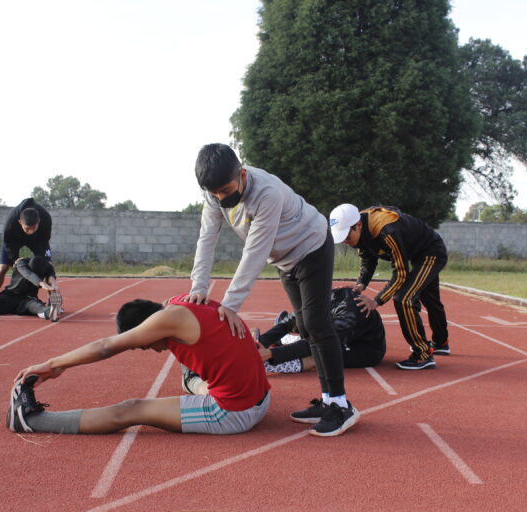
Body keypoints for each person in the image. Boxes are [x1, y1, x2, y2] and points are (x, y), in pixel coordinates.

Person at [183, 143, 358, 437]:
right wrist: (198, 286)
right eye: (215, 194)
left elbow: (255, 250)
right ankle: (326, 401)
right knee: (304, 326)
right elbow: (207, 238)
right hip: (285, 259)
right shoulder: (214, 193)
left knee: (317, 323)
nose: (221, 198)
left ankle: (340, 405)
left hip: (311, 245)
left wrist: (230, 304)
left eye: (226, 190)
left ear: (241, 173)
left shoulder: (267, 192)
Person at [7, 294, 271, 436]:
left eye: (146, 345)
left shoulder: (166, 321)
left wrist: (54, 365)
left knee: (130, 410)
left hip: (235, 413)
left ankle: (30, 421)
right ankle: (195, 383)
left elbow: (106, 347)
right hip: (262, 398)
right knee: (195, 377)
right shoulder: (181, 301)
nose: (154, 350)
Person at [329, 203, 450, 370]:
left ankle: (422, 355)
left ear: (358, 226)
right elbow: (368, 259)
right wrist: (361, 284)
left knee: (404, 298)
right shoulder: (360, 227)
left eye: (347, 238)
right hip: (416, 254)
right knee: (430, 300)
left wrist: (376, 301)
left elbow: (401, 274)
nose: (347, 243)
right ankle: (441, 343)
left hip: (431, 252)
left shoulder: (388, 231)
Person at [255, 287, 386, 373]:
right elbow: (288, 322)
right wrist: (258, 343)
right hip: (344, 335)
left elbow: (319, 344)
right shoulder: (320, 298)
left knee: (318, 357)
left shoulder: (347, 315)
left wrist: (271, 354)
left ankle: (265, 366)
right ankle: (292, 339)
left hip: (366, 350)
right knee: (306, 326)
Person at [0, 197, 52, 297]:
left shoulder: (46, 218)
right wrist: (15, 259)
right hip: (14, 239)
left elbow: (45, 240)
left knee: (48, 266)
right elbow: (8, 242)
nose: (31, 232)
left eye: (34, 228)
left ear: (39, 222)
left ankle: (53, 303)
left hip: (38, 240)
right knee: (2, 267)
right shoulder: (11, 221)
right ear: (19, 222)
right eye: (27, 229)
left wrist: (44, 263)